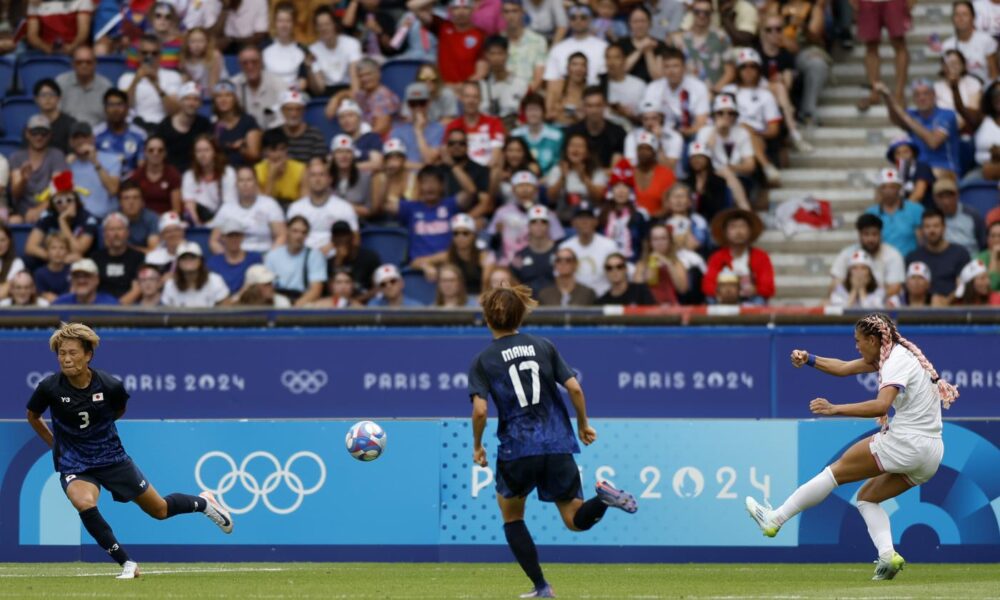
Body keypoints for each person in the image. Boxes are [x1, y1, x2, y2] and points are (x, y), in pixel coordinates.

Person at [747, 314, 958, 581]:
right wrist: (809, 359)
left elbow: (881, 406)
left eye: (858, 341)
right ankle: (887, 556)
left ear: (873, 340)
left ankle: (774, 520)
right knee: (867, 498)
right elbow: (845, 367)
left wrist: (835, 409)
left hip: (907, 442)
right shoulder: (896, 354)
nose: (856, 346)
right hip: (932, 453)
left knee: (834, 473)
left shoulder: (895, 361)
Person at [26, 323, 233, 579]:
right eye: (61, 353)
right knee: (83, 502)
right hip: (75, 463)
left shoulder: (109, 385)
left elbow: (118, 410)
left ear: (88, 355)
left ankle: (203, 503)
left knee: (159, 510)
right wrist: (55, 444)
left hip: (112, 458)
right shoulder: (49, 387)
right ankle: (127, 563)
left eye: (72, 353)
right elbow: (33, 416)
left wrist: (99, 432)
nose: (66, 359)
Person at [469, 284, 637, 598]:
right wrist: (584, 424)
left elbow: (480, 410)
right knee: (574, 520)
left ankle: (542, 587)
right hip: (558, 442)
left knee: (513, 516)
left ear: (487, 319)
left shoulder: (483, 359)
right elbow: (574, 388)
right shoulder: (543, 345)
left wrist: (477, 446)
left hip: (518, 446)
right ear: (521, 314)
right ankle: (602, 500)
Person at [881, 80, 961, 179]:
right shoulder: (912, 114)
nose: (921, 98)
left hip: (944, 169)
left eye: (926, 94)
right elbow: (895, 119)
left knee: (923, 175)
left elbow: (933, 142)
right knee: (889, 179)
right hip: (917, 171)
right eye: (917, 95)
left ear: (934, 95)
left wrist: (905, 117)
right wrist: (887, 97)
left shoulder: (947, 114)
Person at [24, 171, 99, 265]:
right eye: (59, 201)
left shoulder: (87, 218)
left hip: (79, 264)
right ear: (53, 203)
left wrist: (62, 222)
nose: (64, 204)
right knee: (28, 260)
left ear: (76, 199)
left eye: (69, 200)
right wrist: (55, 258)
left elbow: (78, 250)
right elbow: (30, 247)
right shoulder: (48, 216)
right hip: (54, 263)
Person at [703, 208, 774, 304]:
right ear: (726, 232)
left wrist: (754, 290)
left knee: (759, 301)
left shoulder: (761, 256)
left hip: (750, 299)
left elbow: (769, 287)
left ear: (750, 231)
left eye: (743, 226)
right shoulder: (717, 257)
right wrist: (722, 291)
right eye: (733, 227)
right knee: (710, 300)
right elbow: (707, 285)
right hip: (722, 299)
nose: (738, 231)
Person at [209, 166, 286, 254]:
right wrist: (227, 259)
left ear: (256, 182)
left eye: (249, 180)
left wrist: (270, 258)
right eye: (241, 180)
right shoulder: (226, 208)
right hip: (236, 257)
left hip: (264, 254)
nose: (245, 184)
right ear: (236, 184)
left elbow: (281, 236)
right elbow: (214, 241)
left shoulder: (269, 204)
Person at [409, 0, 486, 86]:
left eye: (466, 8)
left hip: (468, 91)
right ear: (450, 10)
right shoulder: (442, 26)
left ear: (473, 10)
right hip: (444, 88)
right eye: (456, 8)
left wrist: (463, 88)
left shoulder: (480, 35)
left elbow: (481, 71)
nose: (461, 12)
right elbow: (413, 6)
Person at [288, 158, 360, 250]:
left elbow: (355, 239)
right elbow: (290, 239)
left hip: (335, 258)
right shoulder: (296, 208)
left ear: (329, 179)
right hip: (302, 257)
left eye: (321, 175)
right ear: (307, 180)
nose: (317, 179)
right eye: (313, 175)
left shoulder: (344, 207)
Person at [8, 115, 69, 224]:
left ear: (50, 135)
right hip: (22, 211)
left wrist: (40, 209)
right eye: (34, 132)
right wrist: (23, 180)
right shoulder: (16, 157)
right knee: (14, 221)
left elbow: (60, 189)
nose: (39, 137)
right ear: (27, 133)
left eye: (43, 133)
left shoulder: (57, 155)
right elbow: (15, 194)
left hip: (50, 209)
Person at [395, 167, 462, 266]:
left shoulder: (450, 205)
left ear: (442, 186)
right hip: (418, 269)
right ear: (419, 186)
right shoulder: (410, 208)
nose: (430, 186)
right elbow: (383, 204)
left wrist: (453, 166)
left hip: (447, 267)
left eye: (434, 182)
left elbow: (471, 192)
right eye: (425, 182)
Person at [641, 47, 710, 140]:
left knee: (705, 132)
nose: (671, 71)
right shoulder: (653, 88)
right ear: (662, 68)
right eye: (667, 66)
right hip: (662, 135)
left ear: (684, 67)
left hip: (692, 134)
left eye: (675, 66)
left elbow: (701, 121)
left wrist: (686, 132)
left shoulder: (698, 87)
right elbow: (649, 118)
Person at [906, 207, 972, 304]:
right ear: (922, 230)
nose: (932, 230)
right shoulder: (913, 257)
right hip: (921, 310)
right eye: (927, 227)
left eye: (936, 226)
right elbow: (908, 289)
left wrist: (946, 302)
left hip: (954, 308)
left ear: (944, 228)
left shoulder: (960, 253)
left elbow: (964, 286)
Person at [830, 214, 906, 299]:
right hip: (852, 302)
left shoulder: (893, 255)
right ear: (859, 235)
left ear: (880, 234)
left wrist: (871, 301)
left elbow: (895, 288)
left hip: (883, 305)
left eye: (874, 234)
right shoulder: (847, 254)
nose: (870, 239)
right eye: (866, 234)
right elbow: (835, 285)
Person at [118, 35, 184, 132]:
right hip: (135, 128)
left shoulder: (173, 76)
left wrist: (156, 85)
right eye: (144, 53)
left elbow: (174, 111)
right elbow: (124, 108)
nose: (149, 57)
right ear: (138, 55)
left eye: (154, 53)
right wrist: (136, 80)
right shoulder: (126, 78)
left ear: (160, 55)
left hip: (163, 127)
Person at [326, 59, 401, 137]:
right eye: (361, 76)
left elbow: (381, 128)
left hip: (385, 139)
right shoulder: (364, 94)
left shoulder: (384, 96)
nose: (364, 79)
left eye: (368, 74)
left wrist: (359, 140)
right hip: (367, 137)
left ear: (378, 74)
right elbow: (349, 94)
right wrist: (336, 98)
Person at [264, 216, 327, 306]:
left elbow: (316, 290)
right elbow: (266, 286)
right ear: (287, 231)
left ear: (307, 235)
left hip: (303, 299)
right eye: (295, 231)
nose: (299, 236)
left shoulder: (315, 256)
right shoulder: (272, 255)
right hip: (278, 297)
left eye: (303, 232)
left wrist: (295, 308)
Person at [545, 134, 609, 223]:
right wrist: (563, 178)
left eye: (580, 146)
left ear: (587, 152)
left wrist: (584, 178)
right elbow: (551, 197)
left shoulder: (596, 172)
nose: (575, 149)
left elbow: (598, 198)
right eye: (572, 145)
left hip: (588, 219)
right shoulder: (557, 169)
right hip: (563, 219)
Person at [544, 3, 608, 92]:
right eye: (573, 17)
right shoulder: (557, 49)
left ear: (591, 19)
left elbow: (606, 78)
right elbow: (551, 80)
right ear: (569, 20)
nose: (578, 20)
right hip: (565, 97)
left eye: (583, 17)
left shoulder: (603, 47)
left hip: (596, 96)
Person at [559, 202, 618, 296]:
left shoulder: (609, 246)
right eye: (581, 218)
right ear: (573, 223)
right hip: (576, 300)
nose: (585, 221)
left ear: (596, 222)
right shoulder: (565, 247)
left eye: (589, 217)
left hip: (603, 298)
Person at [673, 0, 733, 91]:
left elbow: (730, 71)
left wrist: (714, 92)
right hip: (687, 94)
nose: (702, 15)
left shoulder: (722, 37)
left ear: (712, 14)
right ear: (692, 12)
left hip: (714, 93)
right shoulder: (679, 40)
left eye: (706, 13)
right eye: (697, 12)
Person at [864, 168, 925, 257]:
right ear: (879, 190)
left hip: (909, 261)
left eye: (892, 187)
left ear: (899, 188)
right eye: (884, 187)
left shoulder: (916, 209)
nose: (888, 191)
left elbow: (923, 240)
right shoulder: (871, 213)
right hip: (881, 263)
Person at [67, 122, 121, 220]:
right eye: (76, 138)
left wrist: (95, 162)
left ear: (93, 139)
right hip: (78, 220)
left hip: (105, 219)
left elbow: (113, 190)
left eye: (84, 136)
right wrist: (65, 168)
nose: (81, 141)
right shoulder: (68, 164)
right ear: (71, 142)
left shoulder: (112, 159)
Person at [445, 83, 507, 169]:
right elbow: (446, 155)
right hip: (461, 174)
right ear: (461, 98)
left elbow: (496, 155)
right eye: (467, 96)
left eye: (475, 97)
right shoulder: (452, 126)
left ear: (480, 99)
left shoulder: (494, 123)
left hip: (486, 173)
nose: (471, 101)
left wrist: (480, 176)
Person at [564, 86, 626, 168]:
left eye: (598, 105)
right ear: (583, 107)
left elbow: (615, 170)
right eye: (590, 106)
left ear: (605, 106)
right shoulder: (572, 132)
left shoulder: (618, 133)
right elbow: (566, 164)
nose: (594, 111)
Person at [182, 135, 237, 225]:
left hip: (224, 219)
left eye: (206, 150)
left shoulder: (228, 172)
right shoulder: (189, 175)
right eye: (198, 151)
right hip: (200, 220)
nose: (202, 155)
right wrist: (198, 225)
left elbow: (229, 205)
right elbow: (189, 205)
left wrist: (213, 224)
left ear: (215, 152)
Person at [600, 160, 650, 259]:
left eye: (625, 187)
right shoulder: (601, 215)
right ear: (611, 190)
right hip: (606, 263)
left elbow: (645, 244)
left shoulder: (639, 216)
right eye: (617, 186)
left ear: (631, 192)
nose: (621, 191)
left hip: (632, 264)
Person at [307, 6, 362, 96]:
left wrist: (350, 98)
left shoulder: (352, 43)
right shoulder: (313, 50)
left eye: (327, 24)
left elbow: (355, 80)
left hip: (348, 88)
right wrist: (310, 70)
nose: (324, 28)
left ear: (334, 24)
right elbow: (319, 89)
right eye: (320, 25)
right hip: (327, 93)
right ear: (316, 28)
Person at [229, 45, 286, 131]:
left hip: (273, 133)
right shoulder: (232, 85)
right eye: (245, 63)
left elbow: (285, 116)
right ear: (239, 65)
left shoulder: (278, 83)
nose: (250, 67)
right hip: (244, 136)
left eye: (254, 62)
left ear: (261, 62)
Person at [90, 213, 145, 301]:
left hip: (129, 309)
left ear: (127, 232)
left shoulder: (139, 258)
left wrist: (115, 308)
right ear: (104, 234)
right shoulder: (95, 258)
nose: (116, 234)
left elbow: (137, 290)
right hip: (99, 308)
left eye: (119, 229)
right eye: (111, 229)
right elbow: (90, 288)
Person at [632, 223, 690, 305]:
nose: (660, 242)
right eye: (655, 239)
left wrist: (669, 264)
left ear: (670, 241)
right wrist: (651, 264)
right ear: (650, 242)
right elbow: (637, 289)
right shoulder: (642, 264)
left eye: (663, 238)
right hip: (647, 308)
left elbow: (682, 289)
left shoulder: (677, 263)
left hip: (671, 307)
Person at [390, 83, 447, 167]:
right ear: (408, 105)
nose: (417, 108)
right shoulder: (397, 131)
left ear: (429, 103)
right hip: (406, 177)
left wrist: (418, 131)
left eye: (422, 103)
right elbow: (395, 163)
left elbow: (429, 159)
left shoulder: (439, 129)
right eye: (413, 103)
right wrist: (423, 166)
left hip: (429, 178)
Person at [479, 35, 529, 129]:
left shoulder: (521, 84)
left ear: (507, 55)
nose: (496, 58)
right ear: (486, 56)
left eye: (500, 53)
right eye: (492, 54)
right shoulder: (481, 85)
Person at [94, 89, 148, 177]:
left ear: (127, 109)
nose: (115, 109)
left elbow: (142, 167)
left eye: (119, 105)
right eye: (111, 105)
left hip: (132, 185)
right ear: (105, 109)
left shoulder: (140, 135)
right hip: (104, 182)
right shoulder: (96, 134)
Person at [323, 221, 381, 299]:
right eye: (337, 236)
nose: (341, 239)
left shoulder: (369, 257)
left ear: (352, 237)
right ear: (333, 240)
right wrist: (338, 262)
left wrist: (356, 301)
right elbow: (329, 291)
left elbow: (379, 287)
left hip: (365, 305)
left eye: (344, 235)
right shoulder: (329, 263)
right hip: (336, 306)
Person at [57, 45, 112, 127]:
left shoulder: (106, 86)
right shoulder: (61, 83)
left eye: (88, 62)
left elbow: (109, 119)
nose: (84, 65)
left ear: (95, 64)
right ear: (73, 64)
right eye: (79, 62)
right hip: (67, 135)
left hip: (96, 136)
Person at [161, 242, 230, 307]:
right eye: (184, 258)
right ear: (178, 263)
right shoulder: (170, 285)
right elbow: (166, 314)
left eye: (192, 257)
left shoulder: (215, 281)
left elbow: (226, 312)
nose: (188, 260)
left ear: (200, 261)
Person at [268, 91, 328, 164]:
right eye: (289, 109)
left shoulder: (315, 135)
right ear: (282, 111)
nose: (294, 114)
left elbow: (318, 165)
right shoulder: (274, 134)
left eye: (298, 109)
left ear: (304, 111)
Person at [511, 93, 564, 177]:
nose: (533, 114)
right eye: (530, 110)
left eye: (536, 110)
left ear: (543, 112)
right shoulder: (515, 134)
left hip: (549, 180)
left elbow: (559, 163)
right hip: (521, 180)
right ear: (524, 113)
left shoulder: (556, 135)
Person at [212, 81, 262, 169]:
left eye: (228, 95)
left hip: (245, 173)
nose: (223, 99)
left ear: (235, 99)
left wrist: (241, 149)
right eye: (219, 96)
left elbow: (255, 155)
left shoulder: (248, 121)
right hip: (223, 173)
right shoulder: (213, 127)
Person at [206, 219, 262, 297]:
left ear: (242, 237)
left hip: (248, 303)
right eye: (230, 236)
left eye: (237, 236)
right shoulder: (213, 262)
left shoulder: (255, 258)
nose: (234, 239)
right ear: (223, 238)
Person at [932, 178, 987, 256]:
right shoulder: (932, 217)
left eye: (949, 196)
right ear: (934, 199)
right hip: (944, 261)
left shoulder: (972, 214)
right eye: (941, 197)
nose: (946, 201)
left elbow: (983, 243)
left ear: (957, 195)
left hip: (971, 260)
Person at [127, 136, 181, 216]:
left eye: (160, 150)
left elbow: (177, 209)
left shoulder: (173, 174)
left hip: (167, 221)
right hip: (143, 221)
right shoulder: (136, 176)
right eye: (151, 150)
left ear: (165, 153)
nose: (155, 153)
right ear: (145, 152)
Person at [623, 101, 684, 171]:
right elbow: (630, 165)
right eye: (646, 119)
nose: (650, 123)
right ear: (641, 120)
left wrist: (659, 141)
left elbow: (669, 169)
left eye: (654, 118)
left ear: (661, 118)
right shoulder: (632, 136)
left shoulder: (674, 137)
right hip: (641, 175)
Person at [501, 0, 548, 91]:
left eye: (515, 11)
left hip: (529, 96)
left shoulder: (538, 41)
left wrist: (525, 96)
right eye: (506, 12)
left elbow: (539, 76)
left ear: (522, 12)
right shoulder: (499, 40)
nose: (511, 16)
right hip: (503, 94)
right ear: (502, 15)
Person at [512, 205, 558, 296]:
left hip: (554, 304)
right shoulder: (519, 256)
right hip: (528, 303)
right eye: (534, 222)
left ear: (548, 225)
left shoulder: (559, 253)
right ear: (528, 226)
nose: (539, 225)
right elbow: (514, 281)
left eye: (543, 222)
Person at [262, 2, 308, 90]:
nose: (284, 25)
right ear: (275, 23)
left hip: (293, 96)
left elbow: (303, 82)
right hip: (269, 95)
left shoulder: (302, 49)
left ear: (294, 24)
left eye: (288, 21)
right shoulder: (264, 47)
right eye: (280, 21)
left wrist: (290, 91)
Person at [618, 5, 669, 83]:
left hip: (652, 90)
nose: (639, 25)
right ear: (629, 24)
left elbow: (658, 77)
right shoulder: (621, 43)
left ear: (650, 22)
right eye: (635, 21)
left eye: (643, 21)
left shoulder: (660, 45)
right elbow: (620, 71)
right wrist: (640, 49)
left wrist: (648, 51)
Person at [630, 133, 675, 219]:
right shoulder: (628, 172)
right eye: (640, 149)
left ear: (654, 152)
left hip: (657, 222)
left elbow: (668, 206)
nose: (643, 152)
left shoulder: (666, 174)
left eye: (648, 149)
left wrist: (649, 219)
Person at [329, 135, 375, 219]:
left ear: (354, 155)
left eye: (348, 152)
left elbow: (369, 210)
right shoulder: (325, 177)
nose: (344, 156)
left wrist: (340, 206)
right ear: (333, 156)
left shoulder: (365, 177)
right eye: (339, 152)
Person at [26, 0, 92, 55]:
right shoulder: (35, 2)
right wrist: (46, 48)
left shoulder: (83, 1)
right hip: (45, 51)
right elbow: (32, 36)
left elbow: (83, 33)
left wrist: (72, 47)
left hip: (75, 50)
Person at [884, 136, 935, 207]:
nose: (902, 156)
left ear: (913, 153)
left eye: (906, 152)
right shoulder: (893, 173)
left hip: (925, 212)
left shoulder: (921, 167)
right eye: (898, 153)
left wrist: (901, 212)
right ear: (893, 157)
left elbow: (918, 194)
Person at [178, 27, 227, 93]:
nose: (197, 45)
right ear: (187, 43)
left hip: (220, 90)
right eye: (193, 41)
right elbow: (187, 83)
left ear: (207, 42)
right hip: (197, 93)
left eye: (201, 41)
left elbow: (213, 85)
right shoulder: (184, 57)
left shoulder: (214, 55)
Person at [52, 259, 120, 305]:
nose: (81, 280)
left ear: (97, 280)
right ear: (71, 280)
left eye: (87, 276)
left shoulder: (110, 304)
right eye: (77, 276)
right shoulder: (60, 304)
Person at [33, 233, 72, 301]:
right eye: (53, 248)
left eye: (62, 248)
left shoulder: (72, 272)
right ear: (47, 251)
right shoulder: (40, 273)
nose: (58, 252)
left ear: (67, 251)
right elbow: (39, 295)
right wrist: (44, 295)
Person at [977, 221, 1000, 291]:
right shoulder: (979, 259)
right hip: (988, 301)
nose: (996, 239)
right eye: (992, 236)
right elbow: (991, 287)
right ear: (987, 239)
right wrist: (994, 257)